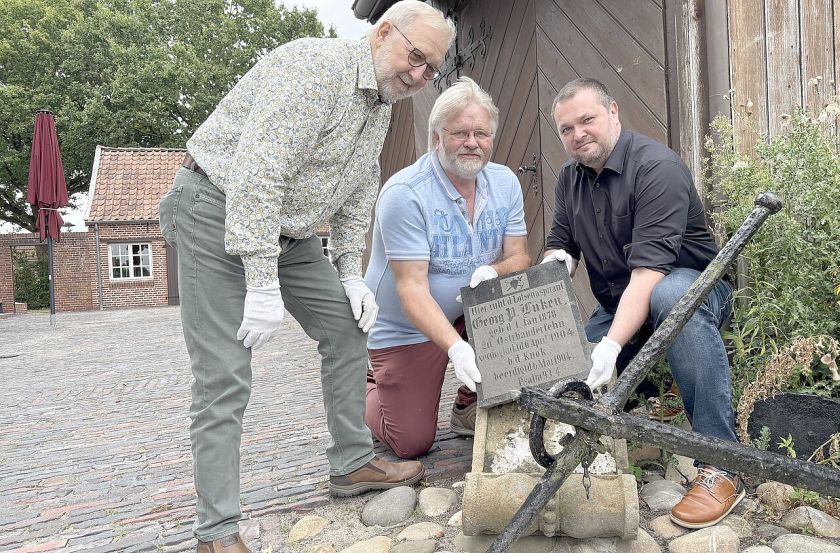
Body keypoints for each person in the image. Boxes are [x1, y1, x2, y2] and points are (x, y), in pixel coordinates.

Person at [157, 3, 456, 551]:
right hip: (216, 209)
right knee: (225, 374)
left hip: (289, 233)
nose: (418, 76)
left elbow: (358, 187)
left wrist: (350, 274)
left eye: (431, 69)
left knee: (347, 329)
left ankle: (351, 462)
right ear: (384, 30)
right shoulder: (314, 71)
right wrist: (261, 279)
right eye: (415, 57)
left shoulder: (380, 104)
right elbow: (258, 173)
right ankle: (217, 533)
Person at [542, 78, 742, 529]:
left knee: (672, 297)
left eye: (587, 120)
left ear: (613, 111)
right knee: (562, 359)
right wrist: (550, 274)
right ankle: (589, 445)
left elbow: (650, 275)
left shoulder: (656, 168)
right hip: (621, 303)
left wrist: (612, 345)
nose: (577, 135)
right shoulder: (569, 179)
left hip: (688, 290)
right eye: (566, 129)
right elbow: (562, 246)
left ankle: (721, 464)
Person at [363, 76, 530, 459]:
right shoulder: (406, 194)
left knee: (523, 301)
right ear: (437, 137)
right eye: (460, 133)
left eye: (481, 133)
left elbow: (520, 255)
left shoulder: (505, 182)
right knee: (411, 442)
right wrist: (456, 348)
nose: (472, 142)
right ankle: (368, 386)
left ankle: (467, 407)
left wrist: (494, 272)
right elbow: (411, 289)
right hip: (406, 325)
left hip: (469, 311)